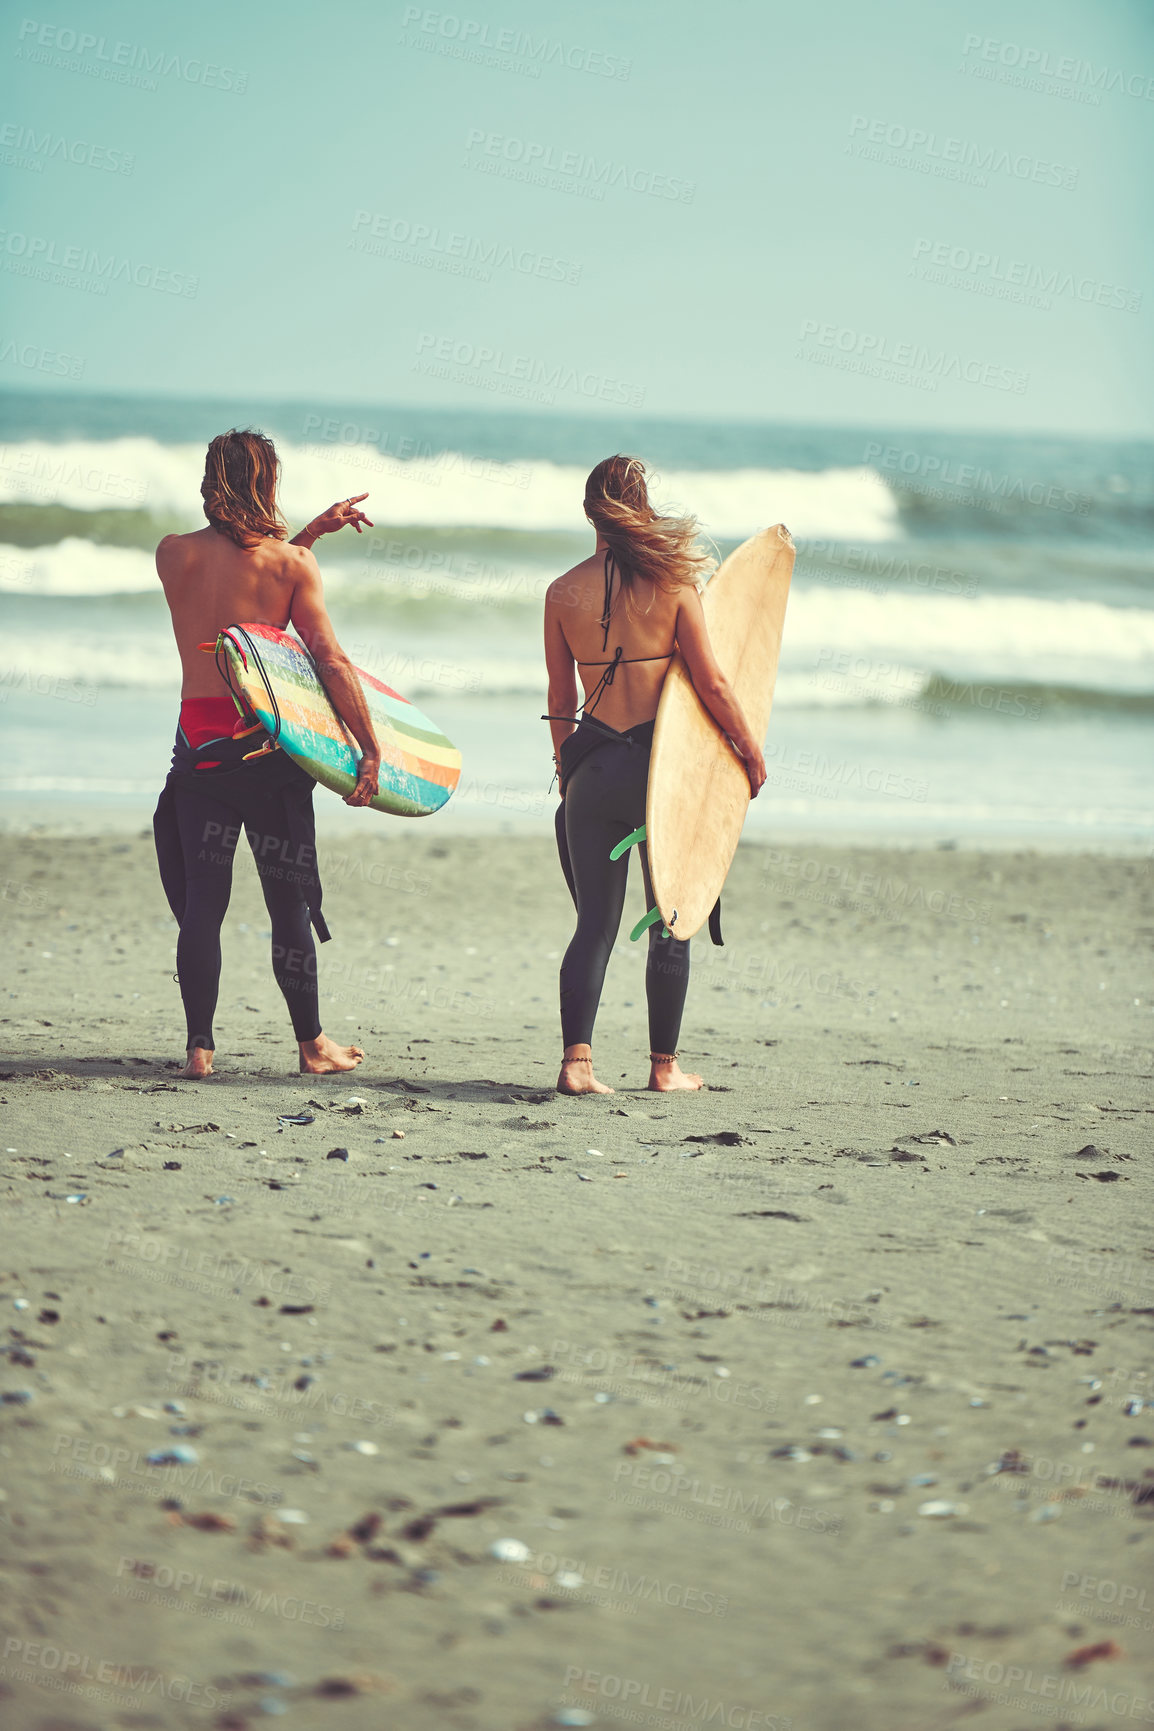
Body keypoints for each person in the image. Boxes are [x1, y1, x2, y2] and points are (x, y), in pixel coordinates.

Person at [153, 427, 379, 1080]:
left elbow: (238, 605)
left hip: (199, 752)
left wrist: (307, 534)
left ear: (208, 479)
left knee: (203, 903)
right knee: (288, 906)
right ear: (267, 482)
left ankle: (199, 1047)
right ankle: (312, 1046)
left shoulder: (173, 555)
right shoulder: (291, 566)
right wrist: (368, 747)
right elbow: (324, 656)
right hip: (268, 755)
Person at [544, 455, 766, 1096]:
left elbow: (560, 698)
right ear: (641, 510)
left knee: (594, 924)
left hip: (593, 765)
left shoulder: (562, 592)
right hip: (661, 774)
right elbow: (713, 684)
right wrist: (748, 751)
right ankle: (664, 1068)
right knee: (672, 916)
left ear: (589, 512)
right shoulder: (674, 588)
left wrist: (568, 772)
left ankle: (576, 1065)